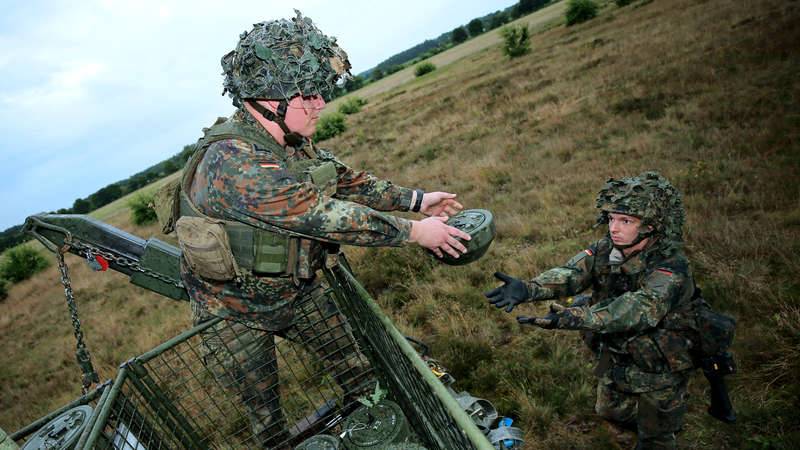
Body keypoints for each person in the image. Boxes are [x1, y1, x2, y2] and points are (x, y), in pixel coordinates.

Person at [174, 11, 470, 448]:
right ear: (265, 99)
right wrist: (414, 232)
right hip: (232, 311)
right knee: (267, 422)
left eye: (320, 93)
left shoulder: (287, 141)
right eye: (306, 95)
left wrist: (417, 200)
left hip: (299, 290)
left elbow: (343, 179)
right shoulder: (233, 161)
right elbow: (322, 213)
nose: (320, 104)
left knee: (361, 371)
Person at [485, 172, 694, 450]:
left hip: (658, 368)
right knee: (610, 411)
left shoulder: (671, 267)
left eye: (626, 221)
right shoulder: (607, 249)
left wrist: (577, 317)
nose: (613, 228)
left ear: (651, 227)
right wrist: (529, 288)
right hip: (616, 355)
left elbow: (638, 308)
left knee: (657, 436)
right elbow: (573, 273)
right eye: (611, 219)